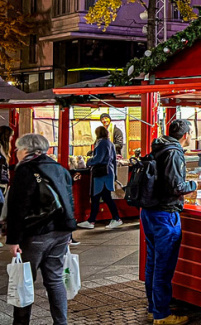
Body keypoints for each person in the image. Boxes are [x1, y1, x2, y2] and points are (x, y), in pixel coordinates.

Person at [5, 133, 76, 325]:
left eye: (18, 149)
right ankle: (61, 322)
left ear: (28, 150)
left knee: (24, 280)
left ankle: (21, 322)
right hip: (61, 232)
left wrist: (13, 240)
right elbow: (69, 200)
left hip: (37, 233)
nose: (16, 153)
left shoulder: (25, 171)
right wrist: (70, 231)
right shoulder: (59, 168)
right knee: (54, 279)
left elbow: (18, 208)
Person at [141, 119, 197, 325]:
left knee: (153, 263)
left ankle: (153, 308)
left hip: (150, 212)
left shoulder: (159, 147)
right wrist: (194, 183)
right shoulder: (174, 153)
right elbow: (176, 186)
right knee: (163, 266)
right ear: (185, 135)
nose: (191, 136)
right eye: (191, 133)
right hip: (165, 215)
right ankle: (161, 315)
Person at [77, 126, 122, 230]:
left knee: (96, 196)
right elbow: (114, 160)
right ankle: (113, 219)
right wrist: (114, 174)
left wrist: (89, 161)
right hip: (108, 173)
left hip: (101, 174)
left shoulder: (101, 143)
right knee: (105, 197)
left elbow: (99, 158)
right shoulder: (110, 143)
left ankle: (94, 221)